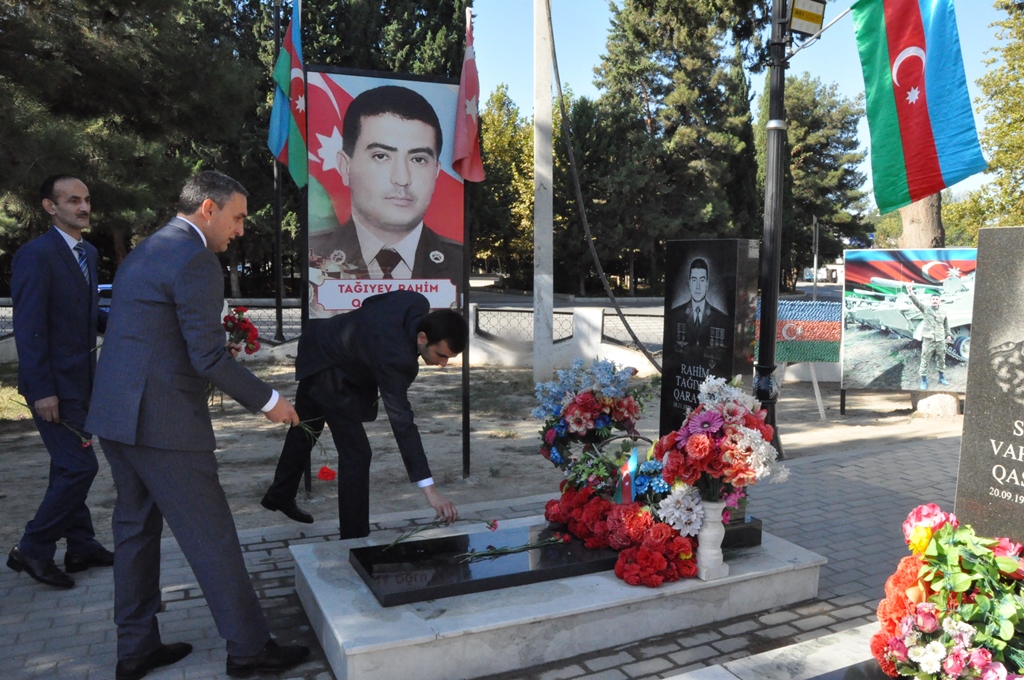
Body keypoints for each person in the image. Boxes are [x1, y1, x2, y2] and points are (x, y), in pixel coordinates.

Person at [84, 171, 309, 680]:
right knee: (211, 536)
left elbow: (151, 335)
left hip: (117, 415)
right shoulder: (195, 258)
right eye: (238, 217)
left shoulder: (147, 249)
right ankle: (250, 649)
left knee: (134, 533)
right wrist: (270, 400)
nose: (241, 229)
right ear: (209, 208)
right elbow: (206, 356)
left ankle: (136, 648)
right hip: (163, 424)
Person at [260, 290, 467, 537]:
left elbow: (370, 303)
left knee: (306, 429)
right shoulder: (396, 358)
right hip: (330, 370)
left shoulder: (414, 301)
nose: (443, 364)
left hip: (319, 343)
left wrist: (363, 343)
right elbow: (402, 423)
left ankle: (280, 495)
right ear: (422, 337)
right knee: (357, 453)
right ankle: (354, 537)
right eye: (441, 355)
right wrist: (430, 491)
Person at [6, 175, 113, 590]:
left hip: (83, 382)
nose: (83, 207)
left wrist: (137, 326)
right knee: (79, 467)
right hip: (53, 388)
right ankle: (32, 548)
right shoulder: (35, 255)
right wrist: (42, 390)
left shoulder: (88, 251)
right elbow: (29, 328)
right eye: (72, 200)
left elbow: (88, 315)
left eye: (86, 199)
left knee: (65, 466)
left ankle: (81, 546)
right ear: (50, 207)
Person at [309, 85, 462, 282]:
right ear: (345, 166)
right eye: (381, 156)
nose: (402, 179)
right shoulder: (316, 254)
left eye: (418, 159)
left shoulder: (457, 261)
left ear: (436, 172)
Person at [666, 258, 731, 352]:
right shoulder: (675, 315)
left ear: (707, 284)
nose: (697, 286)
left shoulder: (721, 319)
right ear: (689, 283)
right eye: (694, 280)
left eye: (702, 280)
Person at [907, 284, 952, 390]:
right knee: (925, 359)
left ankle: (941, 377)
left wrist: (948, 334)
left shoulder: (943, 311)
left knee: (941, 359)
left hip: (940, 339)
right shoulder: (926, 309)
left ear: (939, 301)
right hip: (928, 340)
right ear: (930, 301)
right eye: (933, 299)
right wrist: (911, 293)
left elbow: (946, 324)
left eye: (937, 299)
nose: (935, 301)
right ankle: (924, 380)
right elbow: (917, 303)